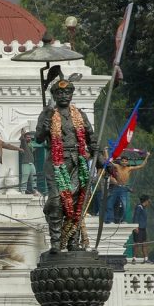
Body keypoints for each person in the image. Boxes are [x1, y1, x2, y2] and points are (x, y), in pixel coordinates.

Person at [35, 79, 97, 253]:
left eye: (67, 92)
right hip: (56, 161)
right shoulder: (48, 113)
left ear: (71, 95)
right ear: (54, 95)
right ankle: (55, 241)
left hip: (77, 160)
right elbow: (38, 138)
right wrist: (45, 126)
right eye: (59, 93)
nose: (63, 96)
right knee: (56, 201)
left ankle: (72, 242)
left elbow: (90, 137)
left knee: (77, 202)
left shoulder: (79, 114)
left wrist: (97, 154)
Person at [104, 152, 149, 224]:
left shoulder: (129, 168)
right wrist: (106, 151)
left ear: (127, 162)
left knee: (124, 205)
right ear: (121, 161)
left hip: (123, 189)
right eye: (123, 161)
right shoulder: (117, 166)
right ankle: (110, 220)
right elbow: (108, 160)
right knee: (110, 203)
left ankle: (123, 220)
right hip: (116, 187)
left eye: (125, 161)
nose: (124, 162)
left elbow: (141, 165)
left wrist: (147, 156)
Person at [20, 128, 39, 194]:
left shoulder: (30, 145)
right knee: (25, 177)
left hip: (31, 164)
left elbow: (34, 148)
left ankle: (34, 190)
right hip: (25, 163)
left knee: (34, 177)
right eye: (27, 137)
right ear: (25, 138)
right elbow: (22, 140)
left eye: (30, 137)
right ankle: (23, 191)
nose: (29, 138)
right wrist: (22, 134)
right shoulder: (23, 145)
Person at [133, 195, 151, 261]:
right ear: (146, 201)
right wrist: (136, 227)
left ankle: (146, 258)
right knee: (137, 243)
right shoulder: (139, 207)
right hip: (138, 228)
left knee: (144, 243)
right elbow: (136, 217)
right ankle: (134, 258)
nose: (149, 202)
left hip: (143, 228)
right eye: (148, 200)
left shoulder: (144, 208)